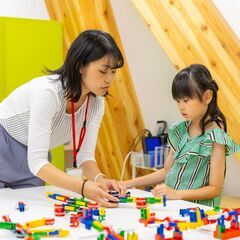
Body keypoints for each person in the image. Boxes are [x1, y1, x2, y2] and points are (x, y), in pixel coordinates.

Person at [0, 29, 126, 207]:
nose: (109, 79)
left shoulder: (97, 103)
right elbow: (37, 162)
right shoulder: (48, 93)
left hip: (35, 158)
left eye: (113, 72)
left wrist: (99, 179)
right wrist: (83, 188)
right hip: (4, 145)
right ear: (80, 66)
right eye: (103, 71)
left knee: (28, 214)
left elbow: (85, 156)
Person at [124, 64, 240, 207]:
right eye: (178, 101)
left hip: (198, 213)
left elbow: (215, 188)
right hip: (173, 207)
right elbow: (166, 171)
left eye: (186, 100)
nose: (181, 107)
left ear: (207, 96)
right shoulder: (179, 131)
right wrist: (127, 183)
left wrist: (177, 193)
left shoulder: (216, 137)